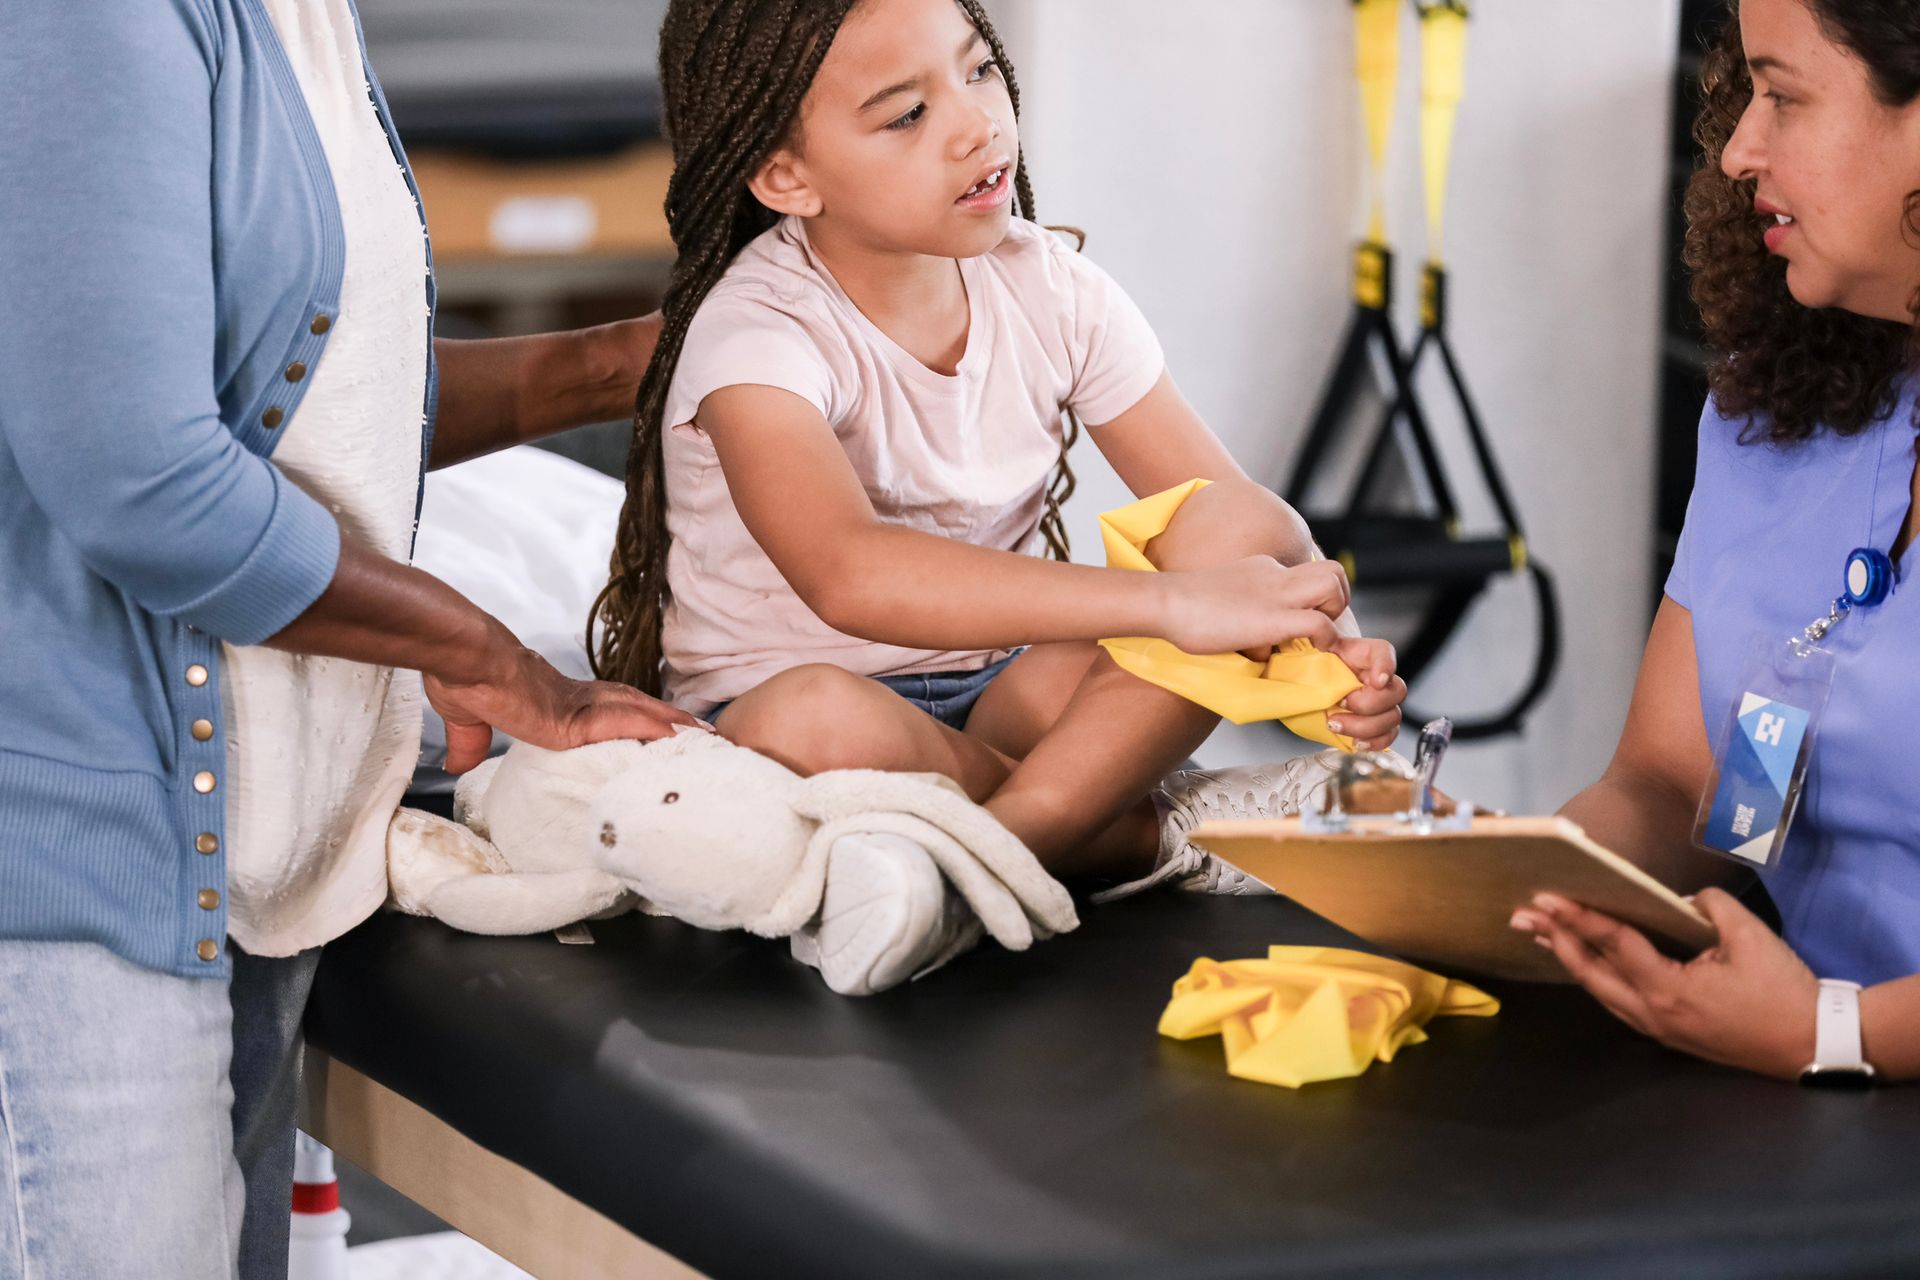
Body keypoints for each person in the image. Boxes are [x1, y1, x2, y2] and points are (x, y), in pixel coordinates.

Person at [0, 2, 693, 1274]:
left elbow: (310, 400)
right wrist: (486, 655)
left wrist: (624, 367)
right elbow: (142, 479)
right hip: (75, 880)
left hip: (242, 861)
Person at [589, 0, 1411, 992]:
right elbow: (848, 575)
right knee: (809, 718)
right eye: (906, 114)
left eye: (978, 71)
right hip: (811, 714)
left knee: (1246, 526)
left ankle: (972, 866)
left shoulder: (1055, 288)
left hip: (1007, 698)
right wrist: (1175, 606)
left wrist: (1333, 658)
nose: (979, 125)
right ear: (784, 177)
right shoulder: (757, 333)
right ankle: (1153, 830)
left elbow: (1236, 523)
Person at [1511, 0, 1920, 1083]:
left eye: (1782, 97)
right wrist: (1537, 884)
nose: (1739, 149)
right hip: (1764, 1068)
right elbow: (1669, 782)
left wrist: (1836, 1033)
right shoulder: (1781, 408)